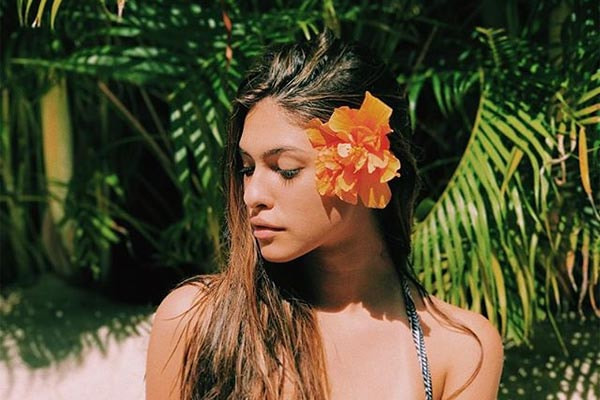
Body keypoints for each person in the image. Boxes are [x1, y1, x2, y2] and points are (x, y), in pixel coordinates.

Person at [145, 30, 504, 400]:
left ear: (367, 163)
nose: (251, 195)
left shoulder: (459, 350)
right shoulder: (197, 321)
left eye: (285, 169)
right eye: (247, 167)